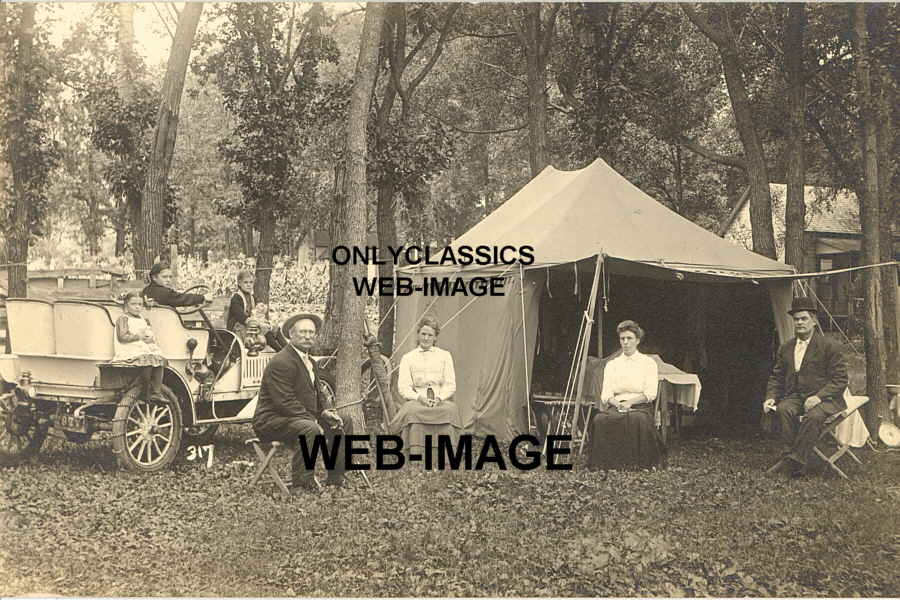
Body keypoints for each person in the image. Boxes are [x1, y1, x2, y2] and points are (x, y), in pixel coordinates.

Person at [252, 313, 351, 491]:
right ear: (291, 334)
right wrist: (313, 420)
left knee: (344, 420)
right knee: (309, 428)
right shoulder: (281, 362)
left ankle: (336, 477)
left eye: (311, 333)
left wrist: (325, 411)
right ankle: (303, 483)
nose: (307, 336)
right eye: (303, 332)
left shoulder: (309, 360)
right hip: (271, 421)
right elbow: (284, 402)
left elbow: (318, 393)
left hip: (295, 418)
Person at [764, 296, 848, 477]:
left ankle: (795, 463)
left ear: (814, 321)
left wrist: (818, 397)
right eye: (796, 319)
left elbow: (840, 379)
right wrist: (771, 395)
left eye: (804, 318)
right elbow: (776, 376)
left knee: (814, 416)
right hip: (796, 397)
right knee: (784, 409)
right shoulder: (786, 347)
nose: (800, 323)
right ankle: (790, 456)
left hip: (826, 398)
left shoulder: (829, 346)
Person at [587, 320, 664, 471]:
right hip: (617, 404)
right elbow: (606, 393)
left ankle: (638, 464)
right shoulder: (613, 364)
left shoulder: (647, 363)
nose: (625, 342)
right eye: (622, 339)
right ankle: (606, 464)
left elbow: (650, 393)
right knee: (600, 419)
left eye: (629, 338)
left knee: (637, 419)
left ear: (638, 340)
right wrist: (618, 404)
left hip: (641, 405)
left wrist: (630, 403)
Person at [389, 316, 462, 462]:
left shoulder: (445, 356)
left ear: (436, 337)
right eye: (423, 334)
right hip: (417, 398)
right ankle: (415, 455)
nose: (426, 338)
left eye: (430, 335)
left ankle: (447, 456)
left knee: (449, 410)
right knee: (412, 411)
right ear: (418, 335)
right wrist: (420, 398)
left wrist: (438, 399)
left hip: (441, 398)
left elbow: (450, 384)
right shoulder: (408, 358)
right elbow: (404, 387)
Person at [111, 291, 168, 401]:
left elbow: (148, 332)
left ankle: (156, 391)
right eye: (133, 304)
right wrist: (139, 337)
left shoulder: (143, 320)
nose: (137, 307)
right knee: (146, 363)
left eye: (140, 304)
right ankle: (144, 391)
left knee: (159, 360)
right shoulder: (123, 318)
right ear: (126, 305)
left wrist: (151, 338)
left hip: (142, 347)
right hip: (128, 348)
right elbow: (122, 337)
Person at [226, 269, 284, 351]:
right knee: (263, 330)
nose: (249, 285)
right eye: (245, 282)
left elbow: (255, 314)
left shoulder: (252, 298)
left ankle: (289, 350)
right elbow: (240, 317)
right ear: (239, 283)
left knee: (274, 328)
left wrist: (263, 322)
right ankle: (281, 352)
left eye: (251, 282)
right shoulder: (237, 297)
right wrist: (259, 324)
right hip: (238, 327)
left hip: (250, 325)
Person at [141, 263, 213, 309]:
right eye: (164, 277)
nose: (168, 280)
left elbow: (176, 299)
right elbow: (183, 298)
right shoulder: (165, 293)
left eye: (170, 277)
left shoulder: (146, 291)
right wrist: (203, 297)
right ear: (154, 277)